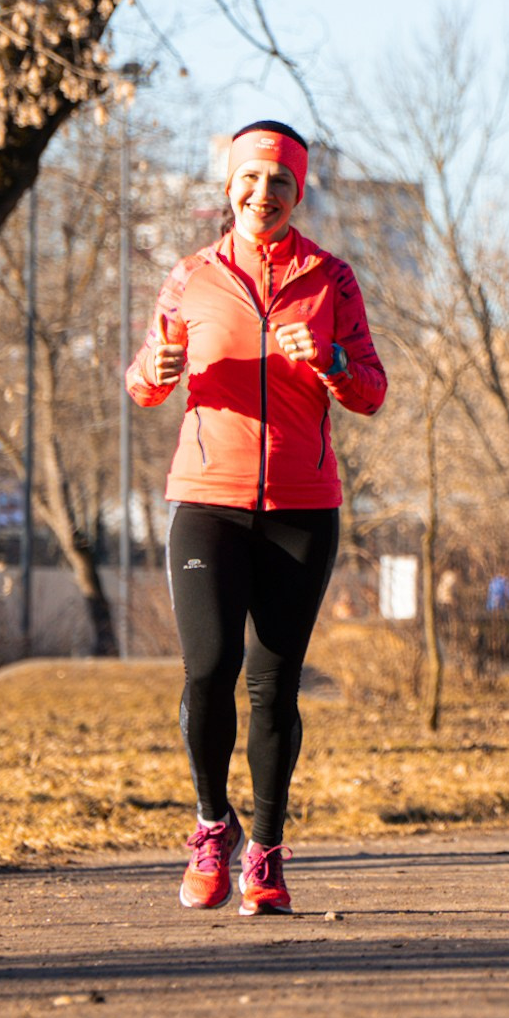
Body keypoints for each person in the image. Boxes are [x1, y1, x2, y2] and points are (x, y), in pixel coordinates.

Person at [127, 119, 387, 916]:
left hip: (302, 510)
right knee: (209, 672)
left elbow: (371, 391)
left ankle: (267, 855)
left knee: (274, 688)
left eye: (280, 181)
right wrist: (155, 367)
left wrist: (331, 360)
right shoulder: (192, 276)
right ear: (229, 186)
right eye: (250, 178)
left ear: (297, 191)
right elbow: (142, 383)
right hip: (206, 500)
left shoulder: (332, 279)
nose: (263, 193)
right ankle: (213, 827)